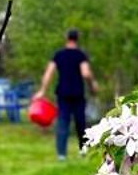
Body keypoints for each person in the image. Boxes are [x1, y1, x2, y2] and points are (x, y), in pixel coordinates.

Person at [38, 28, 96, 159]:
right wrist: (93, 85)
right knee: (80, 123)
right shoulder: (80, 55)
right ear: (77, 38)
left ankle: (61, 155)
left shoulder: (59, 54)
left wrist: (42, 91)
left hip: (63, 93)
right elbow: (86, 73)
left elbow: (48, 73)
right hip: (78, 93)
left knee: (63, 123)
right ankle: (84, 151)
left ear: (66, 38)